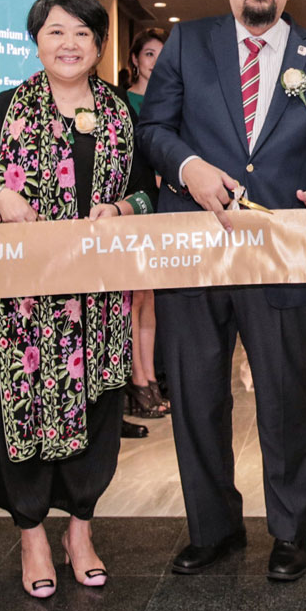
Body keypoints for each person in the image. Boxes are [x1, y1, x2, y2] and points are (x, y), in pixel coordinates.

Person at [136, 0, 306, 581]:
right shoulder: (188, 42)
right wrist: (190, 170)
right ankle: (213, 529)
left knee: (285, 395)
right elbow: (153, 129)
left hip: (281, 249)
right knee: (199, 394)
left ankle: (291, 531)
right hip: (196, 245)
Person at [0, 0, 154, 598]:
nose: (69, 44)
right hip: (20, 307)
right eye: (56, 32)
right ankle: (32, 535)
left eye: (82, 34)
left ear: (98, 46)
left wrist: (121, 205)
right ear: (36, 40)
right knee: (21, 418)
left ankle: (81, 533)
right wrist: (0, 197)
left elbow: (150, 192)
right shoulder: (5, 108)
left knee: (95, 418)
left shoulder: (123, 111)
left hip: (97, 304)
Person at [124, 27, 170, 419]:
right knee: (135, 294)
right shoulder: (123, 103)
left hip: (164, 206)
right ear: (135, 59)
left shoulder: (176, 101)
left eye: (162, 54)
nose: (155, 62)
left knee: (150, 295)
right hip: (132, 206)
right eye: (149, 54)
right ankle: (137, 382)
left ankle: (150, 377)